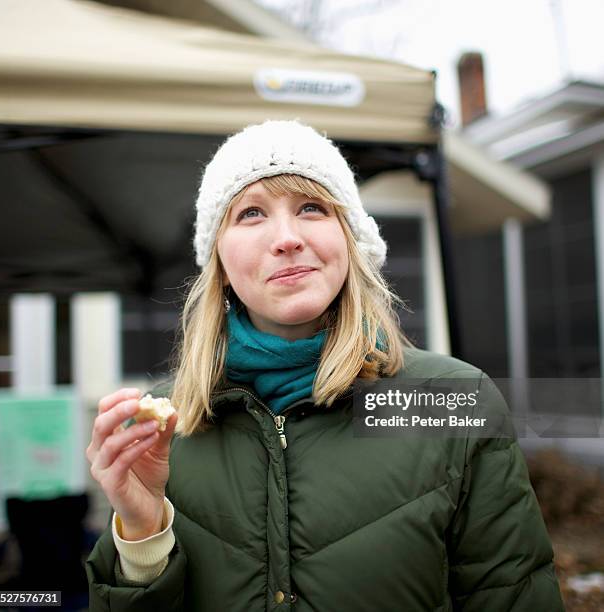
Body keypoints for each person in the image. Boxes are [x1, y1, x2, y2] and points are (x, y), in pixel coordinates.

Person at [85, 120, 564, 611]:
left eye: (311, 207)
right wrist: (143, 535)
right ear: (220, 262)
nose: (287, 238)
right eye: (251, 213)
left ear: (349, 237)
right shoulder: (164, 428)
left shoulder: (449, 400)